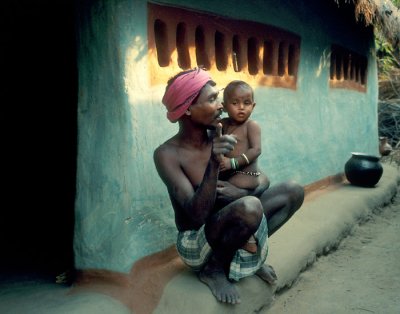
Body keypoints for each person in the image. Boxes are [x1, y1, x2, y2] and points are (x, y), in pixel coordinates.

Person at [153, 68, 304, 305]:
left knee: (293, 191)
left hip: (236, 223)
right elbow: (195, 216)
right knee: (250, 207)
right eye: (212, 99)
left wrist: (242, 191)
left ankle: (242, 260)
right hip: (197, 241)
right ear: (188, 108)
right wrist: (213, 164)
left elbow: (258, 176)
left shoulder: (222, 132)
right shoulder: (167, 154)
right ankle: (213, 270)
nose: (221, 105)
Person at [219, 80, 262, 253]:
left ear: (253, 105)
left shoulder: (251, 126)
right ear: (224, 106)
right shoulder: (224, 124)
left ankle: (249, 238)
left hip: (245, 176)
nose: (241, 108)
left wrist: (232, 162)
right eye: (235, 103)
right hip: (231, 174)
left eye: (246, 103)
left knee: (227, 198)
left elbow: (257, 149)